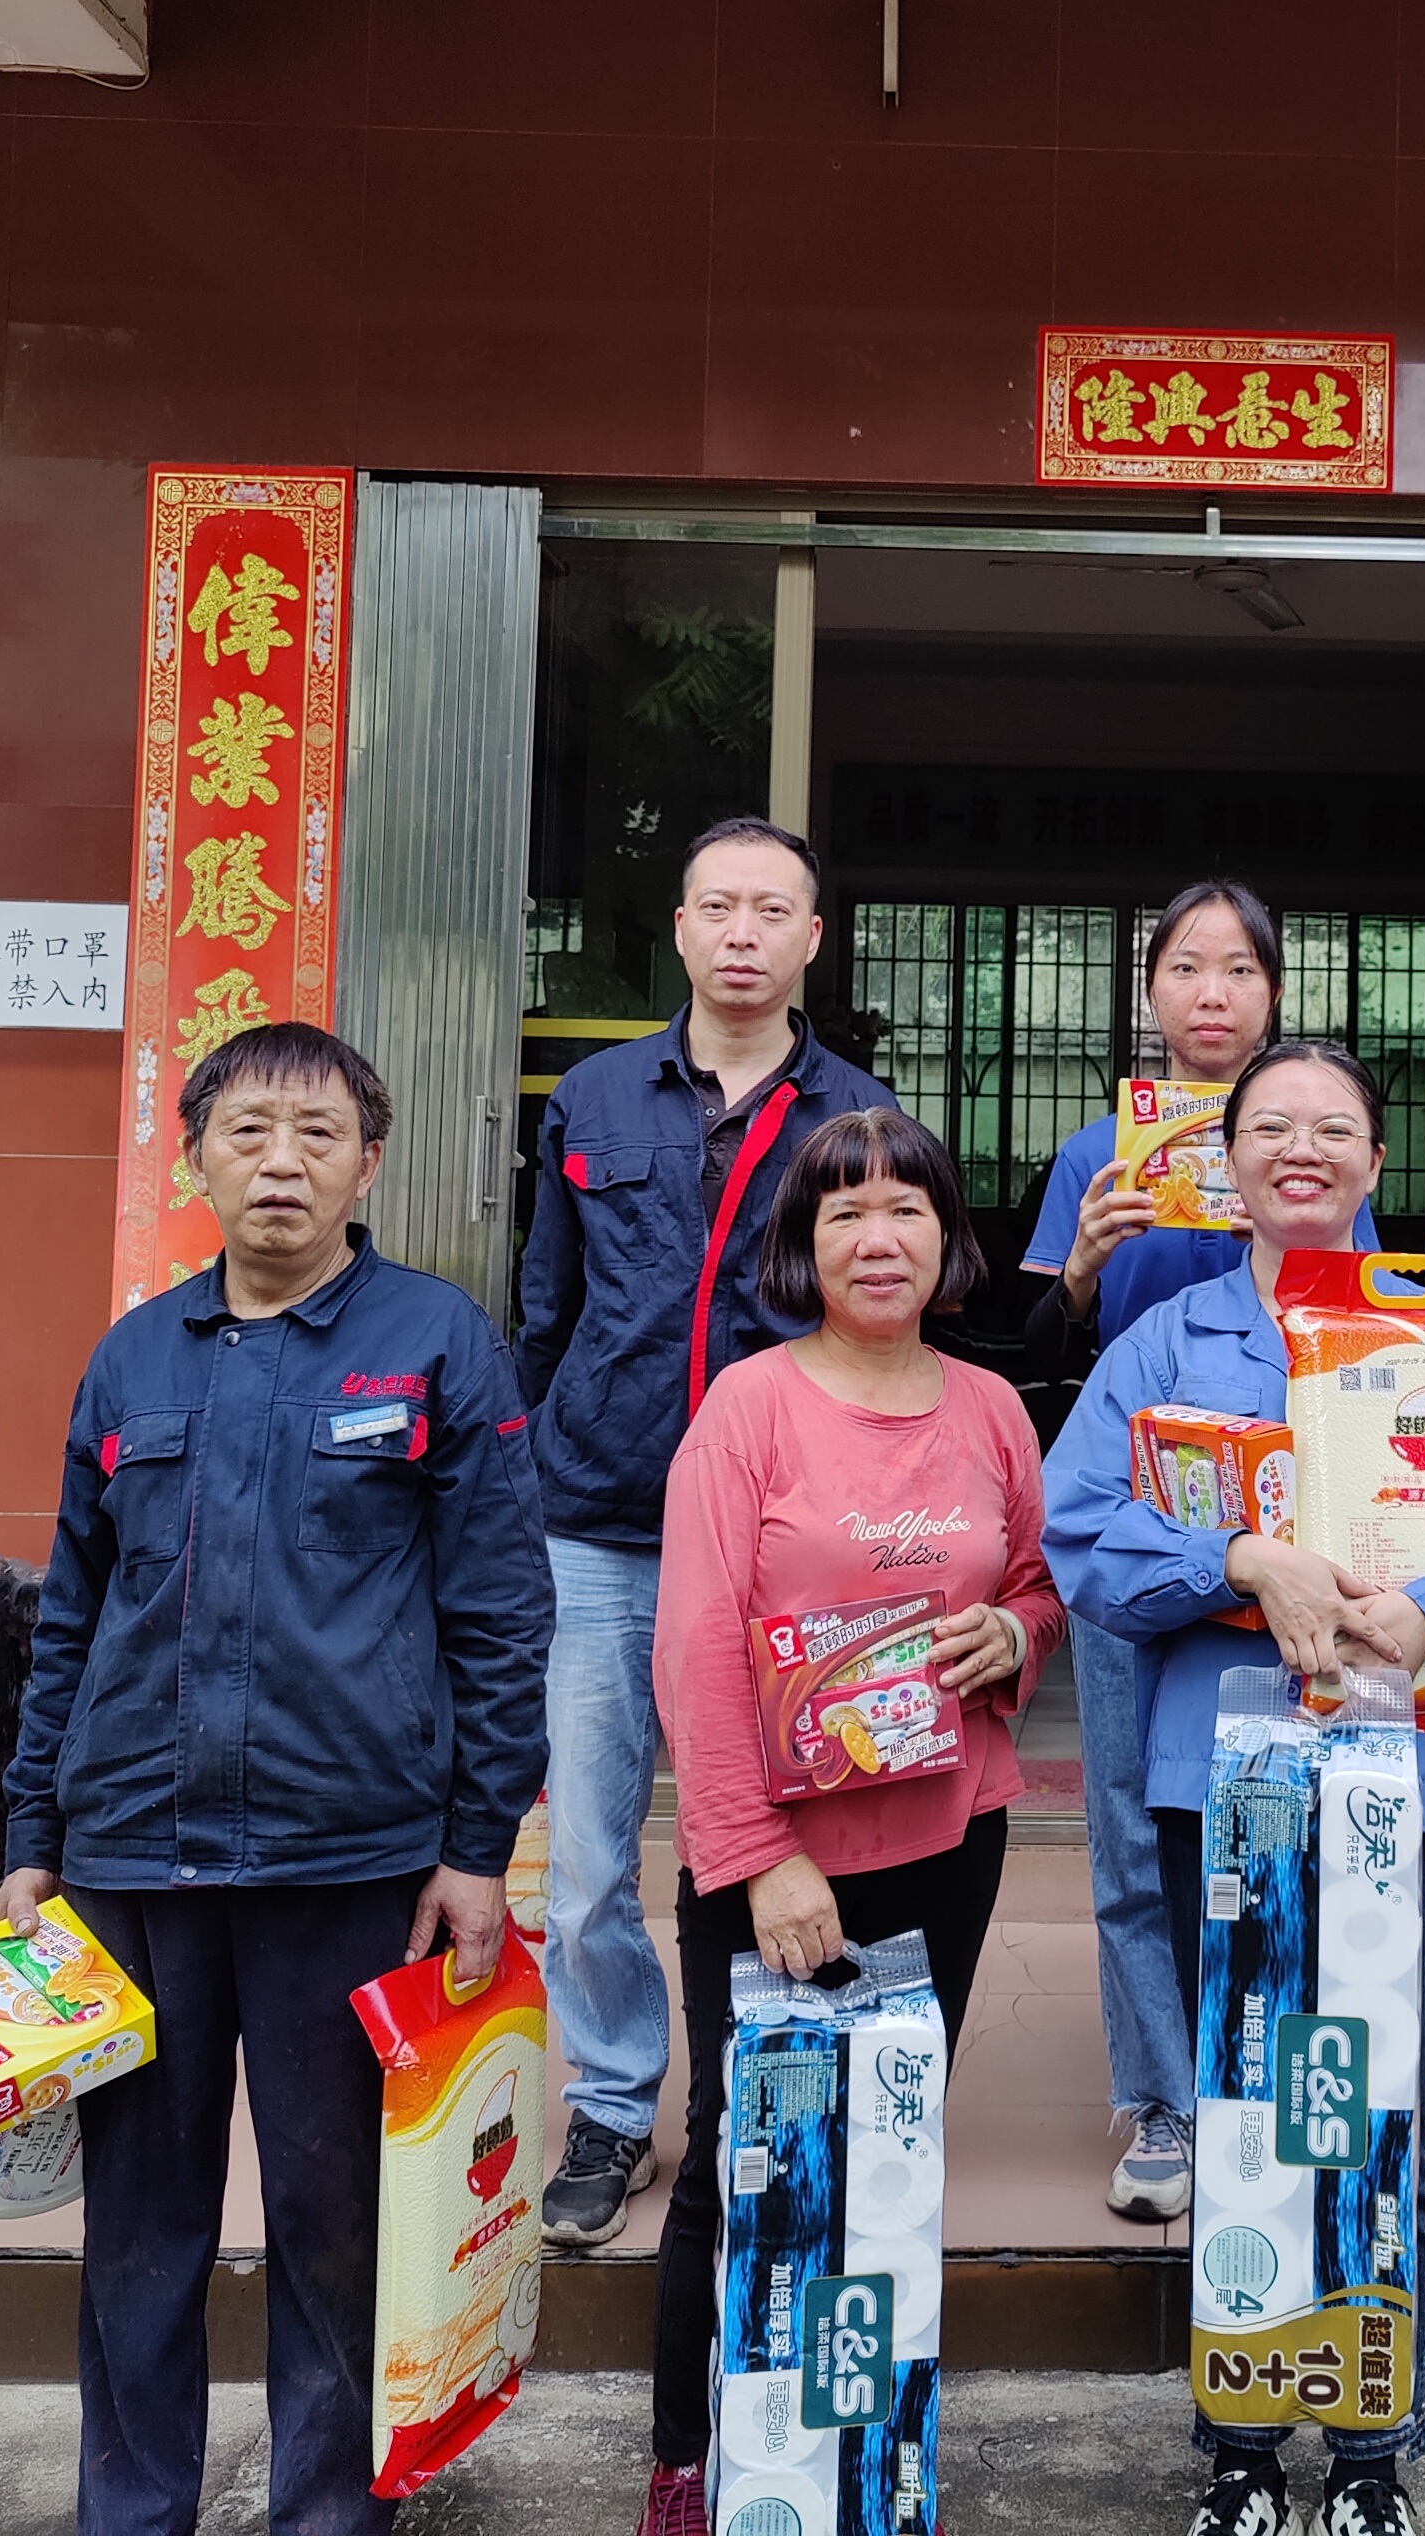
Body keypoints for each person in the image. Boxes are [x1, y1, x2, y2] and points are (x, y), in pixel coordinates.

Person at [1045, 1038, 1425, 2536]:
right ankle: (1241, 2449)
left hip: (1412, 1771)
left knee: (1381, 2111)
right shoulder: (1168, 1342)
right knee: (1246, 2105)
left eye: (1333, 1129)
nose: (1300, 1149)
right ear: (1227, 1162)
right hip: (1223, 1771)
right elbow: (1081, 1525)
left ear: (1376, 1163)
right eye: (1270, 1128)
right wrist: (1238, 1558)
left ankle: (1374, 2450)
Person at [0, 1022, 553, 2536]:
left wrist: (478, 1848)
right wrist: (32, 1836)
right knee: (139, 2227)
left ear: (368, 1165)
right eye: (247, 1132)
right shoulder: (133, 1358)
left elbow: (502, 1613)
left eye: (318, 1135)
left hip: (349, 1859)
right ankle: (132, 2513)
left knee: (335, 2220)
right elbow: (72, 1614)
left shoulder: (438, 1342)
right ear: (194, 1160)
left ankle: (327, 2514)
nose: (282, 1164)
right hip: (134, 1860)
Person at [645, 1104, 1065, 2536]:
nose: (878, 1239)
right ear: (801, 1246)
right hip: (777, 1862)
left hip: (949, 1838)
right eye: (844, 1214)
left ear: (949, 1240)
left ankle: (860, 2447)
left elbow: (1035, 1581)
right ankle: (691, 2458)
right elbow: (696, 1642)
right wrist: (760, 1859)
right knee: (742, 2151)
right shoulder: (749, 1408)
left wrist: (1018, 1635)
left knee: (891, 2140)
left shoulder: (992, 1407)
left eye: (906, 1210)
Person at [519, 817, 899, 2251]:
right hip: (603, 1524)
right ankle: (613, 2102)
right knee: (588, 1852)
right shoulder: (593, 1099)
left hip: (783, 1538)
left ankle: (777, 2090)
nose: (744, 934)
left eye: (773, 911)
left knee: (796, 1829)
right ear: (679, 929)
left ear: (813, 939)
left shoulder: (857, 1117)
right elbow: (545, 1308)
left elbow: (881, 1320)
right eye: (718, 908)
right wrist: (527, 1474)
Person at [1015, 878, 1376, 2222]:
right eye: (1184, 966)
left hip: (1293, 1526)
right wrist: (1082, 1266)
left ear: (1273, 993)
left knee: (1281, 1800)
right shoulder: (1096, 1152)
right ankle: (1161, 2096)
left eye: (1237, 968)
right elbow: (1032, 1356)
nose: (1211, 992)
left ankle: (1279, 2063)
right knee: (1126, 1814)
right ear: (1151, 989)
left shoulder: (1312, 1143)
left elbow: (1372, 1334)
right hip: (1141, 1517)